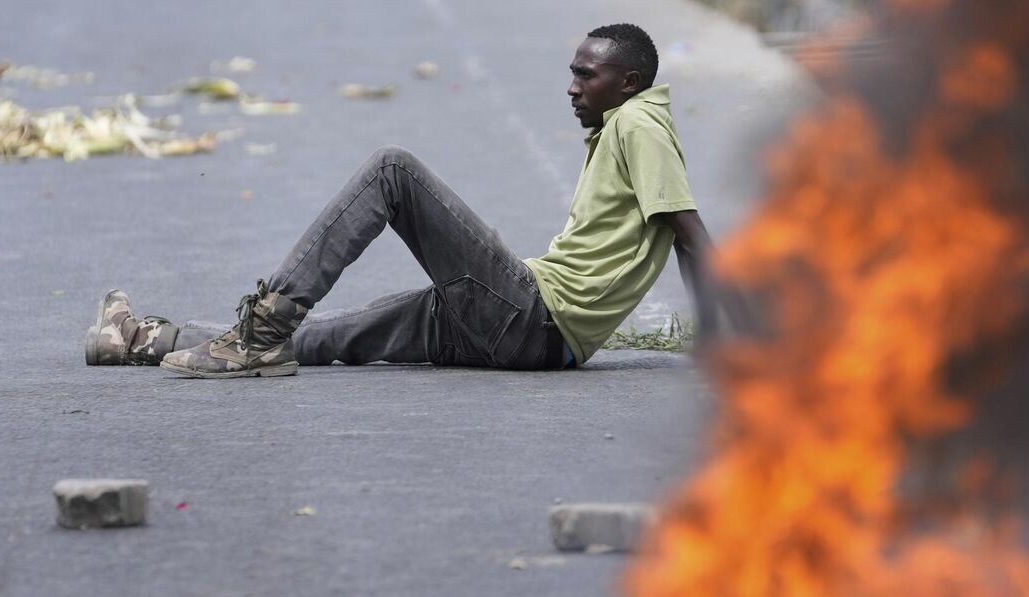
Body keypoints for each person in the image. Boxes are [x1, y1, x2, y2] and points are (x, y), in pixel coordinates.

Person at [85, 23, 725, 378]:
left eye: (587, 74)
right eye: (573, 72)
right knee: (329, 337)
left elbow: (689, 233)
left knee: (393, 171)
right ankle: (141, 340)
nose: (572, 87)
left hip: (533, 318)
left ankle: (266, 322)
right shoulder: (624, 125)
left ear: (631, 82)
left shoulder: (640, 123)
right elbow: (679, 238)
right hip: (527, 329)